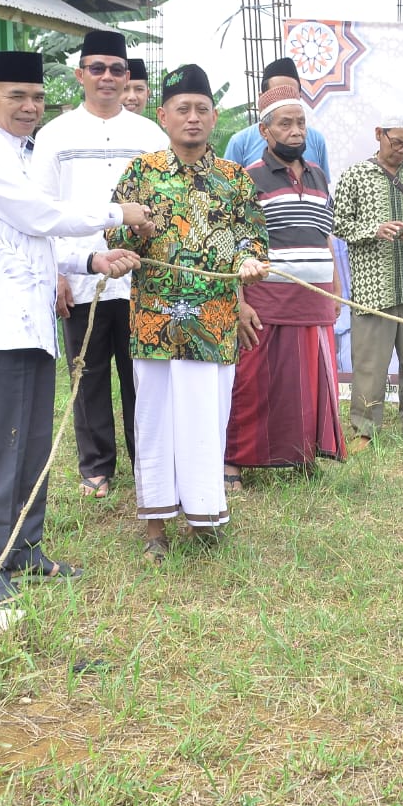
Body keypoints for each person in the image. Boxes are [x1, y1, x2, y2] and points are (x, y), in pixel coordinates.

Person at [0, 50, 147, 607]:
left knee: (31, 446)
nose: (30, 107)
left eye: (36, 98)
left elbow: (32, 238)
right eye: (17, 97)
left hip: (28, 322)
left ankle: (25, 549)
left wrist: (88, 264)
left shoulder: (16, 151)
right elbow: (38, 214)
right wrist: (115, 213)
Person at [107, 63, 268, 566]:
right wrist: (136, 234)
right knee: (153, 418)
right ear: (163, 115)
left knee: (206, 416)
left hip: (213, 320)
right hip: (154, 319)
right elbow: (113, 234)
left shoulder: (235, 179)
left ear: (214, 115)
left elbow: (253, 236)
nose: (193, 118)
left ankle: (204, 517)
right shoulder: (141, 172)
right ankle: (154, 524)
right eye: (183, 109)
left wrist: (249, 261)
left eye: (202, 109)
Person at [30, 30, 169, 502]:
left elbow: (164, 204)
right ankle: (95, 466)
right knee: (87, 370)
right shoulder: (55, 135)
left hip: (141, 276)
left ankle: (147, 461)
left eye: (116, 69)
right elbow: (41, 210)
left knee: (143, 373)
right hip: (81, 270)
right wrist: (59, 273)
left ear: (127, 77)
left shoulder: (149, 135)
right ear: (80, 75)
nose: (107, 77)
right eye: (97, 68)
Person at [223, 83, 344, 488]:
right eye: (286, 123)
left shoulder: (318, 175)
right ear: (264, 131)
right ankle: (233, 463)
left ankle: (302, 455)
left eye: (301, 123)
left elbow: (325, 235)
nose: (296, 131)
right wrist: (239, 301)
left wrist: (336, 286)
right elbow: (233, 246)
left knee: (308, 384)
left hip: (314, 302)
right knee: (253, 383)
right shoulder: (247, 179)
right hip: (268, 300)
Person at [331, 112, 403, 454]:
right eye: (398, 143)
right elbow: (338, 224)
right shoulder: (355, 175)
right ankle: (365, 430)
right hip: (371, 285)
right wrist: (373, 230)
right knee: (369, 363)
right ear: (379, 134)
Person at [222, 56, 332, 180]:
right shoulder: (240, 143)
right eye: (277, 95)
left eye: (290, 94)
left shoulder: (316, 140)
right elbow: (227, 193)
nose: (285, 101)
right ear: (261, 98)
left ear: (299, 96)